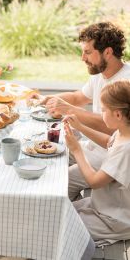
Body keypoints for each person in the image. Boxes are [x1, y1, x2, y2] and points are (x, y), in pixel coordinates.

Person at [31, 22, 130, 200]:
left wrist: (70, 110)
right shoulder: (101, 74)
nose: (82, 58)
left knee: (58, 182)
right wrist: (44, 99)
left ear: (107, 52)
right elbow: (78, 97)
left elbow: (114, 129)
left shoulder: (125, 83)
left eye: (88, 52)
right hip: (94, 146)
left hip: (112, 156)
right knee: (46, 156)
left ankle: (72, 222)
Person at [63, 79, 130, 246]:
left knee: (62, 228)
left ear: (118, 115)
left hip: (114, 219)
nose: (101, 114)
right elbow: (109, 141)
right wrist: (80, 126)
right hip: (102, 205)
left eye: (103, 110)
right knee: (59, 214)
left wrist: (77, 149)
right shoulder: (124, 132)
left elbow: (94, 182)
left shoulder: (126, 150)